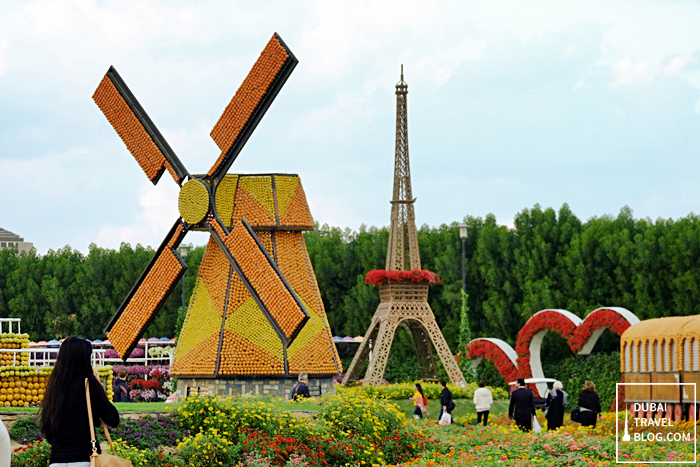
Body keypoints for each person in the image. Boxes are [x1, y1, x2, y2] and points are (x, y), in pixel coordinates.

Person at [40, 336, 120, 467]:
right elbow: (113, 418)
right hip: (84, 458)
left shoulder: (55, 387)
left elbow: (48, 434)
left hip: (57, 460)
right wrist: (98, 386)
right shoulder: (88, 383)